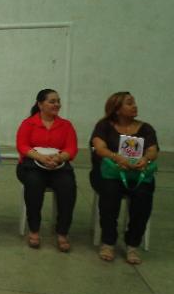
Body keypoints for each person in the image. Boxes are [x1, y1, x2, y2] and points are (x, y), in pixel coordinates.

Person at [90, 92, 159, 265]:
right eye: (129, 103)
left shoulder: (146, 128)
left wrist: (145, 159)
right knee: (109, 196)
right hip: (110, 172)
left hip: (137, 173)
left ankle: (132, 244)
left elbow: (152, 150)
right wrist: (117, 158)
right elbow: (99, 148)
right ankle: (108, 241)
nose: (134, 106)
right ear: (117, 109)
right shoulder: (104, 126)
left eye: (134, 102)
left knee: (143, 197)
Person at [16, 89, 78, 252]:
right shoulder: (28, 123)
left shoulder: (66, 125)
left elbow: (71, 148)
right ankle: (34, 229)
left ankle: (62, 232)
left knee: (68, 186)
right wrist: (40, 157)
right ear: (40, 104)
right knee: (34, 184)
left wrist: (59, 158)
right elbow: (22, 145)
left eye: (58, 101)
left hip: (58, 166)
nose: (57, 104)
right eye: (52, 101)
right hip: (32, 165)